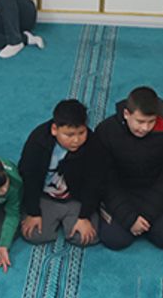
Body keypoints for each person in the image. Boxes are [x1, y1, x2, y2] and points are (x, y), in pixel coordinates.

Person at [97, 86, 163, 251]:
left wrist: (147, 214)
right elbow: (106, 180)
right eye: (140, 121)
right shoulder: (106, 131)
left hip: (155, 190)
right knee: (115, 239)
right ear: (126, 114)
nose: (145, 128)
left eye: (151, 122)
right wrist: (129, 218)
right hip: (122, 191)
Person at [18, 99, 109, 247]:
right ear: (55, 129)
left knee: (86, 237)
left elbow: (95, 182)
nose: (76, 140)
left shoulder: (93, 144)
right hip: (46, 196)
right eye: (69, 135)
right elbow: (29, 177)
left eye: (81, 133)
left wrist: (84, 216)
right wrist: (33, 212)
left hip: (76, 198)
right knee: (34, 234)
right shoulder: (38, 140)